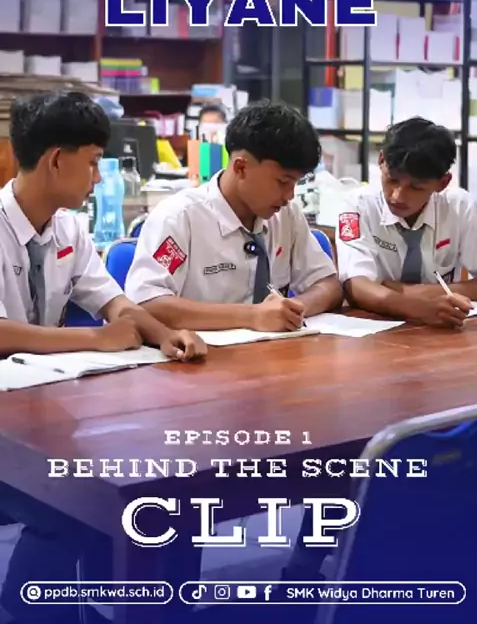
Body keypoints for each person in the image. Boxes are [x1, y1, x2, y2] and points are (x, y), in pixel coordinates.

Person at [0, 91, 206, 624]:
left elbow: (113, 301)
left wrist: (164, 335)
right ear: (55, 160)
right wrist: (95, 341)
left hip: (41, 409)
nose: (97, 178)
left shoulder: (68, 227)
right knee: (74, 506)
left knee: (139, 487)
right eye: (92, 163)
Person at [125, 100, 343, 329]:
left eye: (295, 183)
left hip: (276, 348)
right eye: (282, 182)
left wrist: (291, 310)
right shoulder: (179, 218)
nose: (290, 196)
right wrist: (252, 316)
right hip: (201, 350)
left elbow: (328, 285)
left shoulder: (286, 215)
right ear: (241, 168)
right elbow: (146, 304)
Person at [336, 116, 477, 326]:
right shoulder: (358, 206)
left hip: (444, 329)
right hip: (375, 327)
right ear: (381, 161)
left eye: (416, 187)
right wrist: (419, 307)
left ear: (442, 183)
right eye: (392, 180)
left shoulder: (460, 207)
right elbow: (356, 286)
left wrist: (409, 292)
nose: (397, 196)